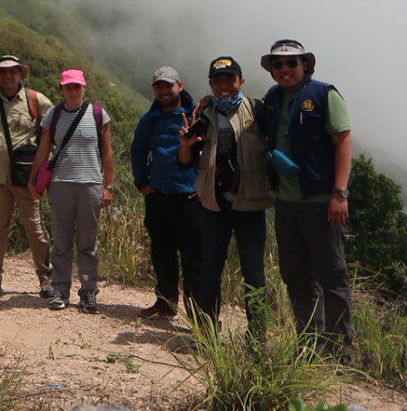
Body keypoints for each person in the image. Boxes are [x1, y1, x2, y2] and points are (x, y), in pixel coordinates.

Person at [260, 39, 353, 354]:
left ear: (305, 65)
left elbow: (342, 142)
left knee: (332, 277)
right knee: (296, 276)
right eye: (278, 64)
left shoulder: (326, 95)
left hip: (319, 203)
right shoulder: (273, 98)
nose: (285, 69)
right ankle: (309, 344)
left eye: (291, 63)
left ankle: (341, 350)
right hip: (286, 205)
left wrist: (339, 194)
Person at [178, 56, 273, 335]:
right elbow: (185, 159)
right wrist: (185, 144)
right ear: (210, 83)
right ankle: (207, 333)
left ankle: (256, 338)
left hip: (250, 204)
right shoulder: (203, 114)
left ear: (241, 81)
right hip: (212, 205)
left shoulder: (258, 110)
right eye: (217, 81)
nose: (223, 86)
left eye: (229, 80)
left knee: (254, 275)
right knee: (209, 272)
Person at [28, 69, 113, 314]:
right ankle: (60, 290)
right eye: (68, 87)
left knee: (88, 242)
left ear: (84, 88)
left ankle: (88, 292)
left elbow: (106, 153)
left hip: (90, 185)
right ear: (62, 89)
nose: (73, 91)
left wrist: (107, 186)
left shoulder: (98, 114)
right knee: (62, 241)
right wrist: (33, 180)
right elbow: (43, 150)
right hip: (61, 184)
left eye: (77, 87)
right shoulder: (52, 116)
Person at [0, 55, 55, 298]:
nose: (8, 76)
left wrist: (48, 166)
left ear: (20, 74)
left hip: (27, 178)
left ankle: (46, 278)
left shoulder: (35, 100)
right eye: (3, 72)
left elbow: (55, 132)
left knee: (35, 228)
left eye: (12, 72)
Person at [130, 66, 201, 318]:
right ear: (154, 90)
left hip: (190, 197)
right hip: (158, 195)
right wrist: (142, 182)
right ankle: (165, 303)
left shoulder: (195, 115)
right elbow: (138, 150)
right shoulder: (149, 119)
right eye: (159, 86)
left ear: (179, 86)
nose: (163, 91)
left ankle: (197, 315)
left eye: (168, 86)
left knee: (193, 258)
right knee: (162, 252)